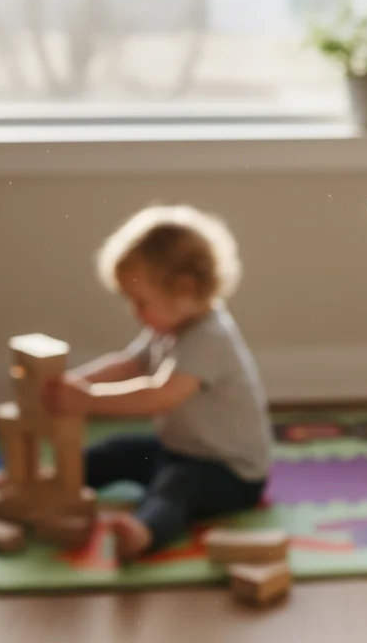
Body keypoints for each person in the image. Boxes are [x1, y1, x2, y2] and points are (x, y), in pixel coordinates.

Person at [43, 204, 272, 559]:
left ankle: (144, 532)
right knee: (115, 452)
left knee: (176, 487)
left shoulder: (210, 337)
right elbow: (128, 364)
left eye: (140, 301)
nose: (134, 312)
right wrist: (74, 382)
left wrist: (87, 400)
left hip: (229, 473)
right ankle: (50, 485)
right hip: (178, 449)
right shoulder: (168, 329)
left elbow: (160, 395)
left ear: (184, 289)